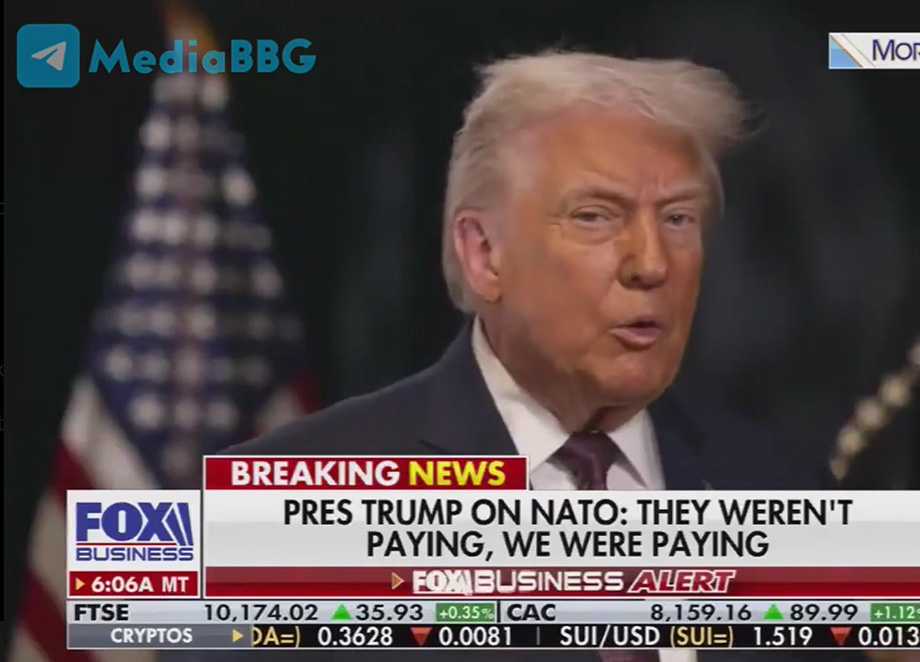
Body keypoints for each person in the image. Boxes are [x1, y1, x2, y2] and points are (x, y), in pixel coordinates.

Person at [209, 51, 861, 662]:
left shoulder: (781, 485)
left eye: (678, 219)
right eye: (596, 216)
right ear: (484, 254)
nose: (652, 263)